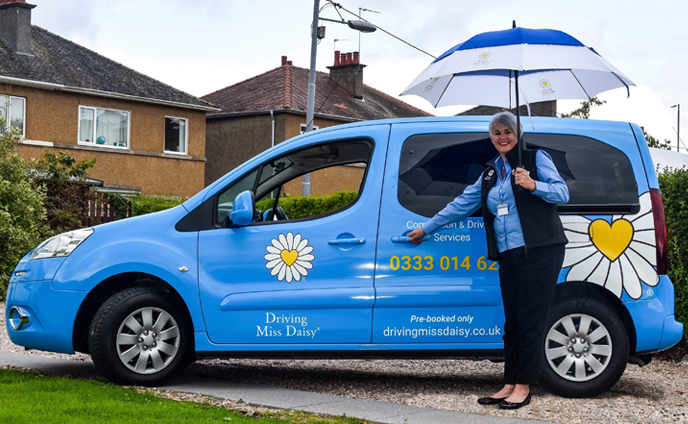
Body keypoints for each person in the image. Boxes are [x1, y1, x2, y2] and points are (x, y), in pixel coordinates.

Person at [407, 112, 569, 409]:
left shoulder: (535, 159)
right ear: (491, 137)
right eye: (496, 132)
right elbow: (461, 204)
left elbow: (562, 193)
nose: (502, 137)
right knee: (512, 323)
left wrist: (533, 184)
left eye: (507, 131)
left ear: (518, 133)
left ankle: (523, 387)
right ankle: (509, 383)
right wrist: (426, 228)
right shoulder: (491, 172)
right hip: (509, 254)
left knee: (530, 321)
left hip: (540, 250)